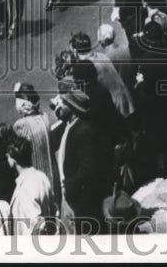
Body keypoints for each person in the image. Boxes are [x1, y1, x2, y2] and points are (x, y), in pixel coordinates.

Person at [54, 89, 105, 234]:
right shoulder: (71, 125)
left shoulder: (83, 131)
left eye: (63, 102)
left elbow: (89, 169)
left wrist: (68, 186)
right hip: (73, 194)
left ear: (73, 108)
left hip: (80, 199)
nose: (59, 104)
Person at [12, 82, 62, 213]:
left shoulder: (20, 125)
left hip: (37, 175)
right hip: (53, 173)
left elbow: (21, 154)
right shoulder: (44, 117)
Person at [6, 134, 57, 234]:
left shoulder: (24, 189)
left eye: (7, 157)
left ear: (13, 159)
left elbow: (33, 227)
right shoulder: (41, 177)